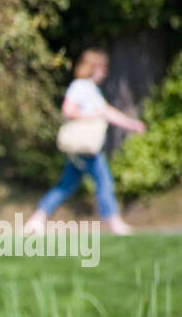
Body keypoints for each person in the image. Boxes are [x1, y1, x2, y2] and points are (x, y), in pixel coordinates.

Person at [26, 48, 146, 236]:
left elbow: (108, 112)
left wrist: (132, 125)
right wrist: (90, 116)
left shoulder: (91, 90)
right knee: (104, 181)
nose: (105, 72)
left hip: (84, 148)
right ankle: (114, 223)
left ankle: (36, 220)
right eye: (102, 68)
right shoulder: (80, 87)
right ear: (93, 68)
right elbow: (68, 110)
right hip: (85, 148)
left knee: (66, 185)